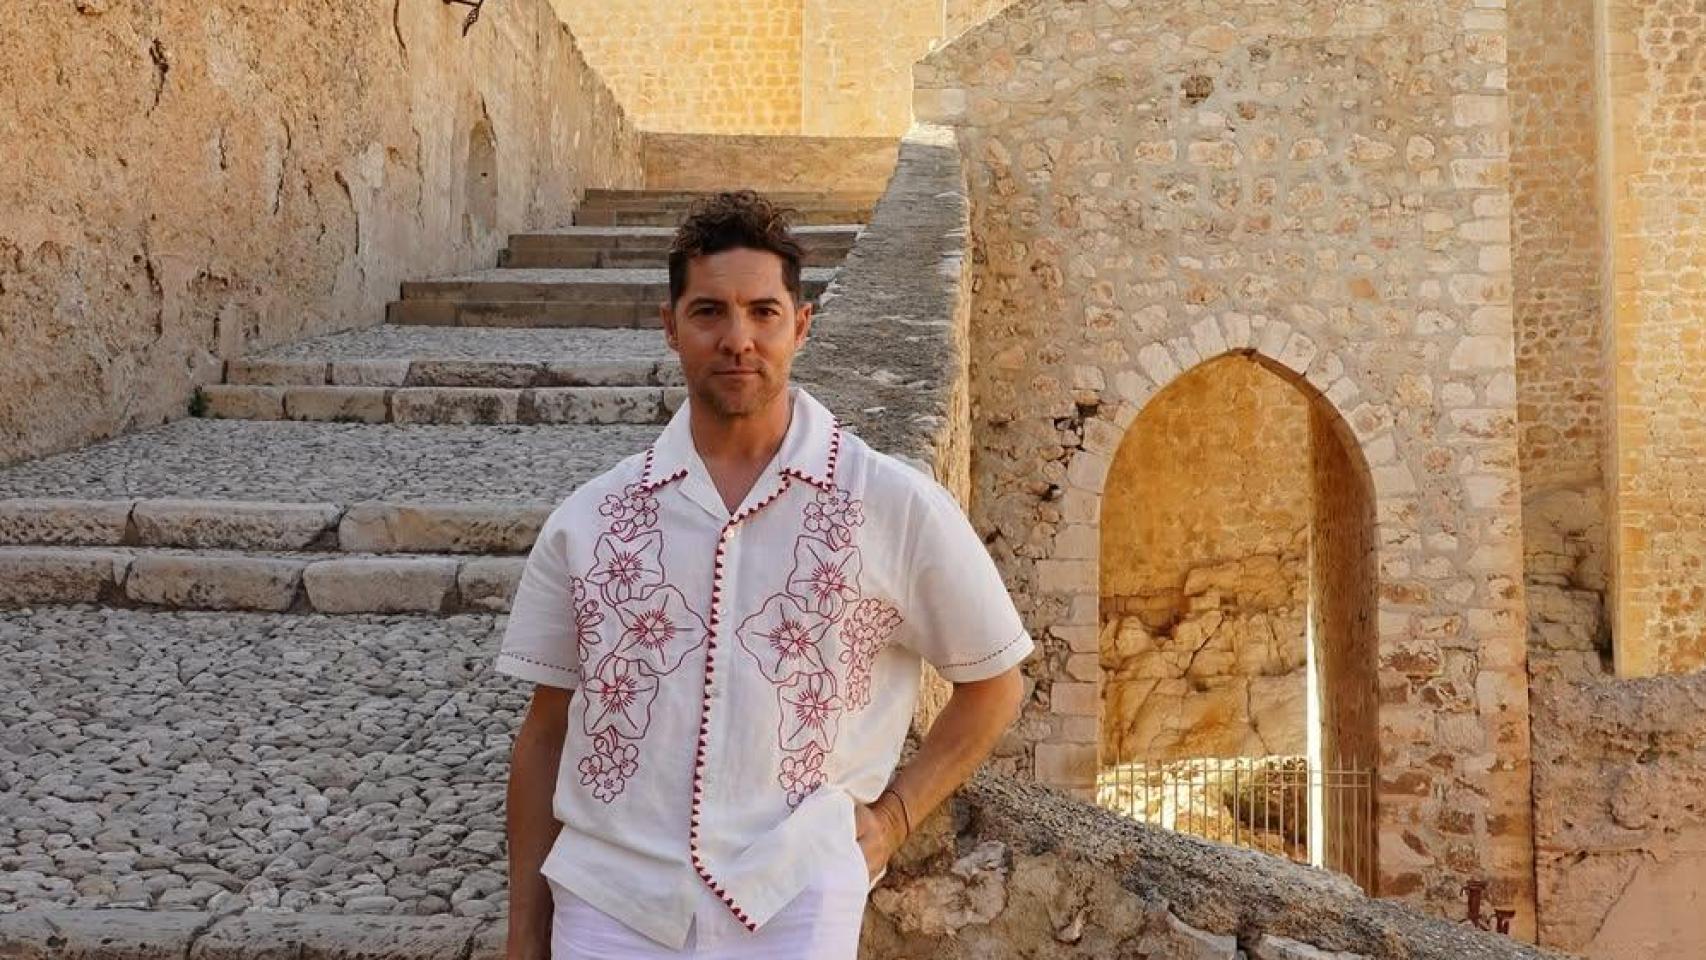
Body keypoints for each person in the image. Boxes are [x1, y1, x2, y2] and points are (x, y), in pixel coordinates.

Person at [497, 190, 1032, 959]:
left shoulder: (890, 503)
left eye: (763, 312)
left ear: (801, 326)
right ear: (671, 327)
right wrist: (526, 931)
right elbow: (546, 733)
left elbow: (995, 681)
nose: (737, 338)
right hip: (611, 901)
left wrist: (894, 820)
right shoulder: (592, 520)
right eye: (710, 312)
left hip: (795, 895)